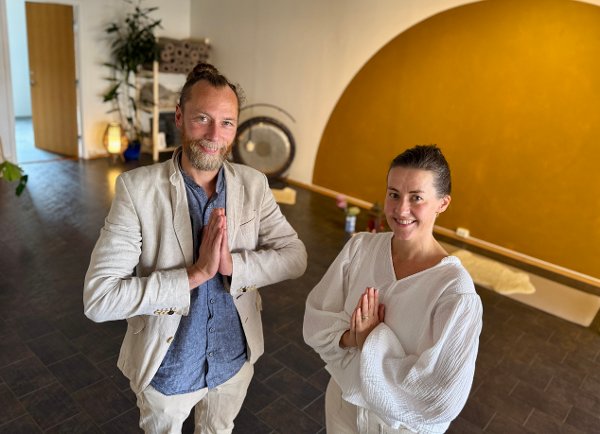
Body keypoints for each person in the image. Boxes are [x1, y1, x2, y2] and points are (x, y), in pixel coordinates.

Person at [84, 63, 307, 433]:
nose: (214, 135)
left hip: (233, 363)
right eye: (202, 118)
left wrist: (232, 266)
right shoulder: (137, 190)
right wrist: (195, 274)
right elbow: (99, 299)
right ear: (179, 117)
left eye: (226, 122)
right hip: (169, 369)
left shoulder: (253, 184)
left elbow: (295, 257)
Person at [303, 145, 482, 433]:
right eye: (394, 194)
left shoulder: (454, 292)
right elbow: (315, 323)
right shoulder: (360, 248)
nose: (401, 210)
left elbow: (441, 397)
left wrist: (371, 339)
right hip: (343, 403)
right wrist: (350, 338)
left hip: (401, 426)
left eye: (416, 198)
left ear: (443, 203)